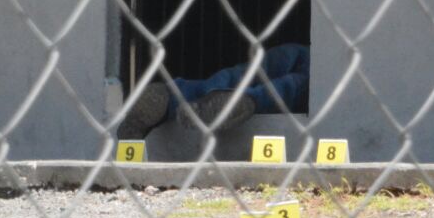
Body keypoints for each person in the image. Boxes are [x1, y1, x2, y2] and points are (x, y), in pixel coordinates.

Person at [117, 44, 309, 139]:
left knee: (245, 73)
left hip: (305, 50)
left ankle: (173, 96)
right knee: (297, 85)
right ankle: (247, 100)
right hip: (319, 66)